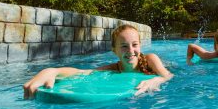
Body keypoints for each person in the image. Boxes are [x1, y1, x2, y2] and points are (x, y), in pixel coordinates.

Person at [24, 24, 173, 99]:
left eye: (135, 45)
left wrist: (155, 80)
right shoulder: (113, 69)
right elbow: (84, 72)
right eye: (124, 46)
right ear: (114, 50)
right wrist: (52, 71)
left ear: (140, 46)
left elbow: (168, 76)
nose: (131, 50)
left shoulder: (150, 59)